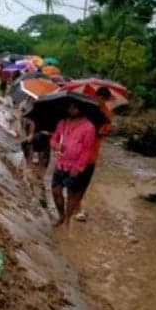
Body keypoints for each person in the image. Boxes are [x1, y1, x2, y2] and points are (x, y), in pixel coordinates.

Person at [50, 101, 97, 228]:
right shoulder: (62, 123)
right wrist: (55, 145)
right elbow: (54, 138)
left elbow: (87, 149)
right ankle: (61, 215)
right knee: (56, 191)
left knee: (72, 194)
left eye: (75, 108)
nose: (71, 110)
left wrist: (78, 167)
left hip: (75, 166)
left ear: (80, 110)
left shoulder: (89, 127)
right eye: (70, 108)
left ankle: (67, 219)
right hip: (60, 163)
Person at [74, 87, 113, 221]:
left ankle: (77, 205)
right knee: (76, 181)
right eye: (101, 98)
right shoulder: (86, 109)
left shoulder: (107, 114)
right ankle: (76, 207)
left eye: (104, 100)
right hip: (79, 151)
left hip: (92, 154)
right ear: (98, 97)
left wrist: (102, 132)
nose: (102, 101)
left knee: (84, 183)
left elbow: (106, 131)